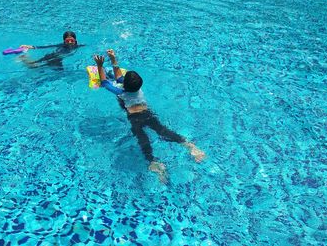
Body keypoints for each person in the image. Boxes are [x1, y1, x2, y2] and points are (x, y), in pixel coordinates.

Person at [94, 49, 205, 183]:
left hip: (135, 118)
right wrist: (113, 59)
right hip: (148, 113)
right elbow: (119, 77)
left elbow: (105, 82)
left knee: (142, 138)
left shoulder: (121, 92)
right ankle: (188, 145)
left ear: (124, 85)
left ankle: (153, 161)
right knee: (163, 130)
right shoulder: (138, 89)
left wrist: (99, 66)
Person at [19, 31, 85, 70]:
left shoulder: (78, 46)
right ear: (64, 42)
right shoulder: (61, 45)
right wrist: (30, 47)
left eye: (72, 40)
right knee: (33, 66)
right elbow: (47, 47)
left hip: (58, 58)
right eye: (67, 41)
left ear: (75, 41)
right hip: (52, 57)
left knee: (59, 71)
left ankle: (24, 58)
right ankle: (23, 57)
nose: (70, 42)